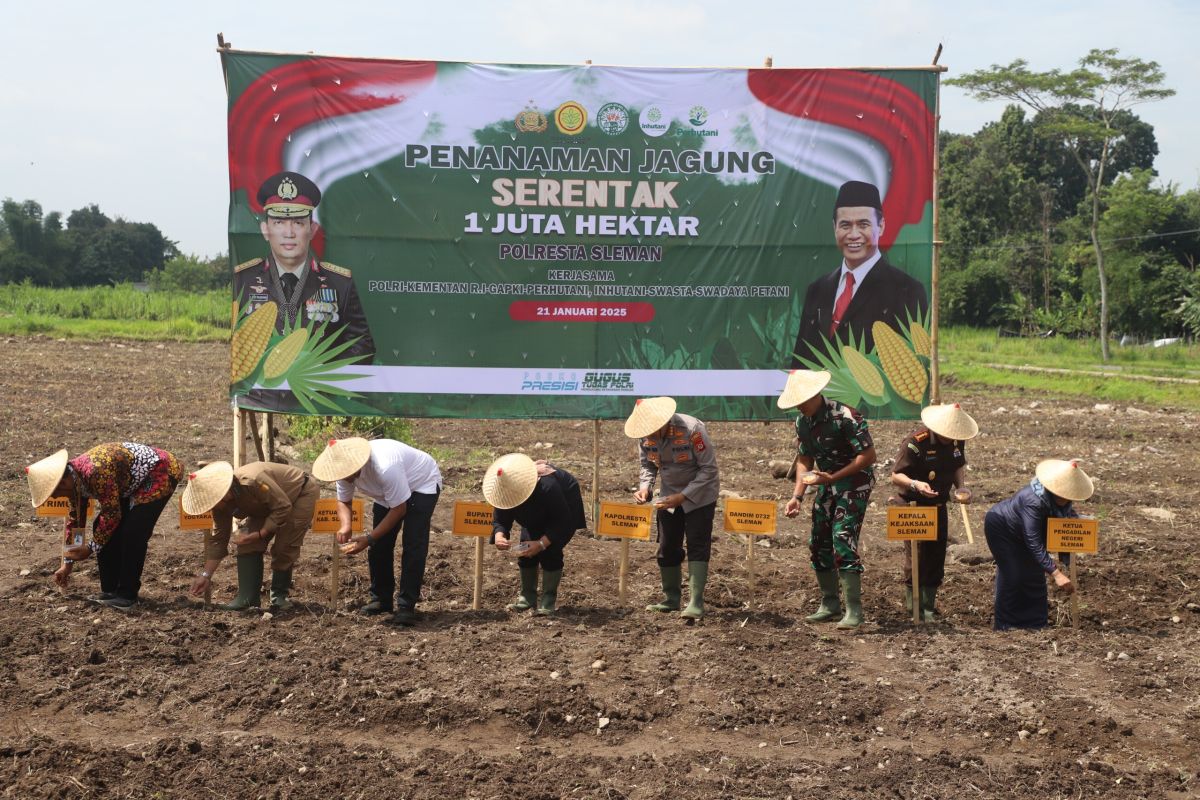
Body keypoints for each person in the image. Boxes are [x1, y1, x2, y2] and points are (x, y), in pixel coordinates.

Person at [234, 171, 375, 367]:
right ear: (265, 230)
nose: (289, 233)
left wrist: (323, 375)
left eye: (298, 223)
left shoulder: (339, 283)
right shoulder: (242, 280)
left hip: (318, 394)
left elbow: (362, 343)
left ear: (313, 230)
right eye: (279, 223)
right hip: (259, 395)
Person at [25, 443, 182, 609]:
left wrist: (90, 548)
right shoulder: (74, 481)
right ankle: (110, 591)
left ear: (62, 483)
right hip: (129, 481)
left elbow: (112, 514)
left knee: (133, 532)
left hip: (160, 472)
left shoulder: (95, 473)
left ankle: (127, 596)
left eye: (55, 494)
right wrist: (67, 563)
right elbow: (76, 522)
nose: (56, 498)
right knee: (101, 527)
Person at [791, 180, 928, 365]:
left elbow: (914, 368)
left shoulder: (906, 291)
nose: (853, 234)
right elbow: (801, 362)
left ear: (881, 226)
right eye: (845, 225)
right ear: (834, 228)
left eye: (863, 225)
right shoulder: (817, 289)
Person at [780, 370, 876, 629]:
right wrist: (797, 496)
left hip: (854, 482)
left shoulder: (845, 416)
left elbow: (867, 456)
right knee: (819, 540)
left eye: (803, 400)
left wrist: (834, 478)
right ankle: (830, 604)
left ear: (816, 394)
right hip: (825, 482)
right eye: (796, 402)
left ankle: (854, 611)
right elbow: (804, 460)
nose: (800, 405)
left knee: (842, 536)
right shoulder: (802, 422)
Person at [313, 436, 441, 626]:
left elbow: (399, 509)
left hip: (421, 483)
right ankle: (381, 599)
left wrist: (369, 538)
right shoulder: (343, 471)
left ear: (358, 463)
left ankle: (406, 606)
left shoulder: (385, 467)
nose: (345, 478)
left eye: (347, 473)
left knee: (413, 544)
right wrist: (346, 525)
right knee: (380, 546)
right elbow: (344, 501)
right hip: (387, 494)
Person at [625, 396, 720, 621]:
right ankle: (671, 598)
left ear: (664, 422)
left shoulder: (692, 429)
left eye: (652, 430)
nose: (649, 435)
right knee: (667, 546)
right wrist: (645, 488)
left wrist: (684, 496)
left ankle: (696, 601)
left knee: (697, 544)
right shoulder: (644, 436)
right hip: (668, 496)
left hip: (699, 495)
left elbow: (709, 470)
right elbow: (647, 463)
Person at [183, 460, 320, 610]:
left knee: (284, 546)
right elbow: (218, 539)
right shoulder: (219, 505)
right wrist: (206, 575)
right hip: (265, 505)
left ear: (222, 492)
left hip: (300, 493)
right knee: (247, 543)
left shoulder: (253, 481)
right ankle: (248, 599)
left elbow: (282, 506)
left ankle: (279, 596)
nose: (212, 507)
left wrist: (262, 533)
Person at [889, 403, 979, 621]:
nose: (951, 438)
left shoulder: (958, 440)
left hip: (938, 504)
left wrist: (961, 487)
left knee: (936, 556)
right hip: (913, 505)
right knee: (917, 556)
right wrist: (916, 485)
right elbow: (895, 476)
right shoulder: (914, 443)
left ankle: (928, 607)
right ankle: (914, 607)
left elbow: (958, 464)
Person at [984, 459, 1092, 631]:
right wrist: (1056, 573)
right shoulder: (1034, 501)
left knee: (1034, 575)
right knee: (1013, 575)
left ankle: (1036, 623)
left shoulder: (1061, 503)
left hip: (1025, 531)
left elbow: (1062, 524)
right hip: (1002, 529)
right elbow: (1033, 541)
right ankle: (1006, 625)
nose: (1069, 498)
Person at [485, 454, 587, 616]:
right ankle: (527, 597)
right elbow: (501, 518)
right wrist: (499, 535)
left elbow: (562, 521)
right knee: (525, 548)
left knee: (551, 551)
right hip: (535, 513)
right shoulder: (504, 489)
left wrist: (541, 544)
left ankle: (548, 600)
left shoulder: (547, 486)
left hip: (563, 509)